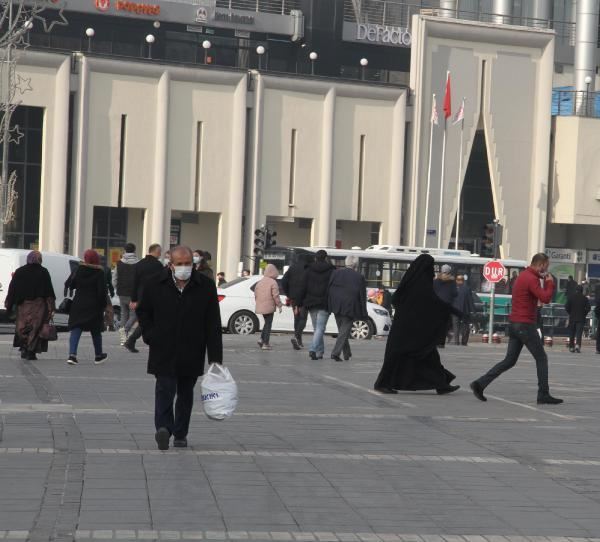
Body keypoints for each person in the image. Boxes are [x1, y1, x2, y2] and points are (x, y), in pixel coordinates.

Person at [136, 245, 223, 451]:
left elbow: (213, 322)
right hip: (163, 347)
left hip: (192, 348)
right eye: (180, 264)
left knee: (185, 393)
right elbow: (143, 312)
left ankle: (181, 433)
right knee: (164, 389)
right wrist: (150, 336)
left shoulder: (205, 285)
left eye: (188, 264)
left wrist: (215, 356)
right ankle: (164, 428)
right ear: (171, 264)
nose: (185, 267)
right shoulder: (155, 284)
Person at [470, 253, 563, 405]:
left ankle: (480, 383)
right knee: (541, 358)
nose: (546, 270)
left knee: (509, 360)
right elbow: (545, 298)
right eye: (546, 266)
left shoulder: (523, 276)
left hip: (515, 323)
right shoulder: (531, 279)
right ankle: (543, 394)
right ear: (540, 264)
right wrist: (550, 283)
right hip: (525, 324)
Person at [373, 254, 460, 395]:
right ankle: (382, 383)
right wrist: (454, 311)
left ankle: (441, 384)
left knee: (429, 356)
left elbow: (397, 299)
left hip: (407, 328)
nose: (432, 270)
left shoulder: (410, 281)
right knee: (399, 357)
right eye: (431, 267)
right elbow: (433, 303)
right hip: (409, 330)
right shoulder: (422, 284)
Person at [4, 251, 56, 361]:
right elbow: (49, 291)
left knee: (22, 328)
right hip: (39, 306)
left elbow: (12, 288)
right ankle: (30, 351)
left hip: (23, 306)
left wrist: (9, 303)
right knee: (35, 328)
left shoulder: (20, 271)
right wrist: (51, 307)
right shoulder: (43, 272)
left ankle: (25, 347)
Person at [65, 249, 108, 365]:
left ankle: (72, 355)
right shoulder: (99, 273)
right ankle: (98, 355)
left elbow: (70, 284)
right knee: (95, 330)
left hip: (79, 303)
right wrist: (103, 305)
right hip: (94, 305)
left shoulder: (78, 269)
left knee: (76, 328)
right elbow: (102, 292)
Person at [123, 244, 163, 354]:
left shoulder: (139, 264)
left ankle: (131, 341)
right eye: (159, 252)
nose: (160, 254)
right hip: (154, 297)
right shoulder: (158, 265)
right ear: (155, 251)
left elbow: (134, 283)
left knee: (145, 320)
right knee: (148, 321)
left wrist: (134, 299)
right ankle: (132, 340)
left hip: (140, 297)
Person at [327, 255, 367, 362]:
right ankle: (335, 353)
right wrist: (364, 312)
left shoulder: (335, 273)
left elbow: (329, 288)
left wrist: (330, 304)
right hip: (350, 307)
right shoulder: (359, 277)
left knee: (342, 331)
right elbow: (362, 295)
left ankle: (347, 353)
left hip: (336, 305)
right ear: (355, 265)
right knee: (344, 331)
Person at [297, 250, 335, 360]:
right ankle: (314, 350)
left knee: (317, 328)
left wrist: (299, 303)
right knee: (320, 328)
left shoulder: (308, 270)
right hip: (325, 302)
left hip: (311, 302)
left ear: (315, 258)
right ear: (326, 258)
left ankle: (319, 352)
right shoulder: (331, 270)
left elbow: (302, 287)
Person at [281, 253, 311, 350]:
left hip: (293, 297)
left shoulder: (292, 268)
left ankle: (298, 340)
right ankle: (296, 337)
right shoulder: (308, 268)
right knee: (303, 319)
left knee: (297, 318)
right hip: (304, 297)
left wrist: (288, 293)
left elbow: (283, 281)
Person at [112, 243, 139, 345]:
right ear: (134, 250)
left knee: (124, 315)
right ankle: (125, 331)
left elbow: (114, 279)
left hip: (122, 292)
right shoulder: (138, 263)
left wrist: (117, 288)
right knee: (134, 315)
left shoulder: (119, 263)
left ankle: (123, 339)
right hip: (134, 293)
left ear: (125, 250)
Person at [254, 264, 283, 351]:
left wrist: (259, 303)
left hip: (261, 306)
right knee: (268, 324)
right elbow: (276, 296)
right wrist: (279, 305)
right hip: (269, 306)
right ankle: (265, 343)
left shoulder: (260, 282)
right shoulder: (273, 282)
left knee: (266, 323)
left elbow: (255, 294)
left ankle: (261, 339)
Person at [433, 264, 457, 347]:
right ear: (449, 272)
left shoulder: (435, 281)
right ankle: (441, 342)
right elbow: (455, 293)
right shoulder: (452, 282)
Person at [565, 285, 590, 353]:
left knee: (572, 333)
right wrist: (584, 313)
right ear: (582, 290)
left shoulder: (571, 297)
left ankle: (571, 347)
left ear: (576, 290)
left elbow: (566, 307)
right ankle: (577, 346)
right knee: (579, 333)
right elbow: (588, 308)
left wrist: (570, 312)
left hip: (572, 317)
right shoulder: (585, 298)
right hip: (581, 318)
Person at [452, 275, 475, 346]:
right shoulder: (467, 289)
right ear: (463, 280)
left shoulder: (453, 288)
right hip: (464, 310)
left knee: (456, 327)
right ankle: (464, 342)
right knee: (465, 326)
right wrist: (473, 310)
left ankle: (456, 342)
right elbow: (470, 300)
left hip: (455, 310)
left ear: (456, 280)